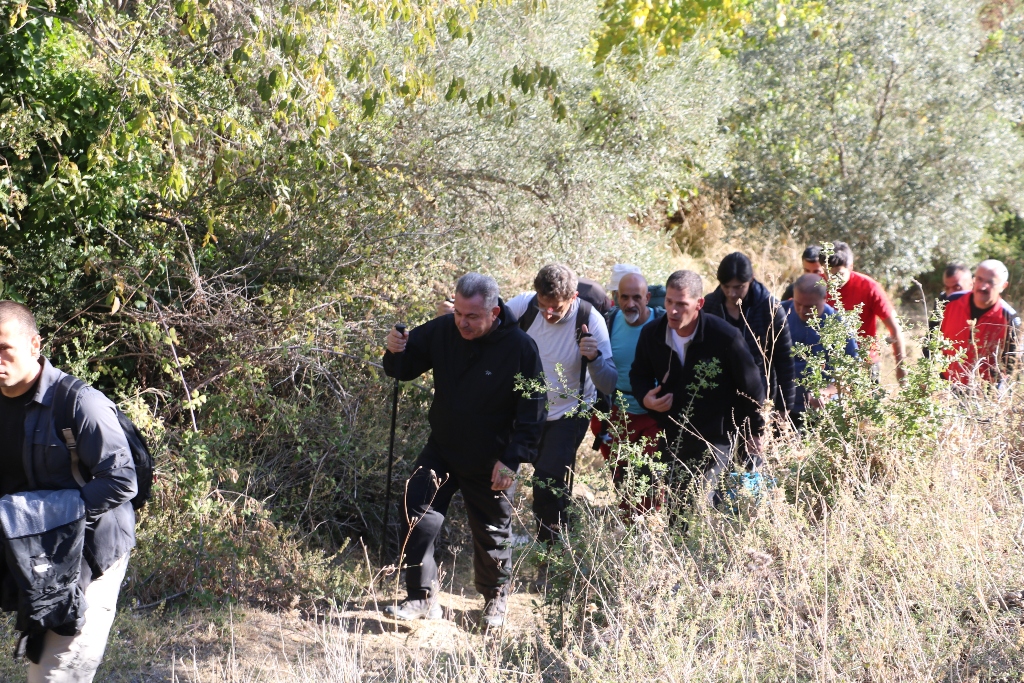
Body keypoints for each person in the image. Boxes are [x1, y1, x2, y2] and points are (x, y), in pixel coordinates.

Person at [382, 273, 547, 627]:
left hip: (493, 458)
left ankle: (495, 599)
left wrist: (513, 459)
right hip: (442, 448)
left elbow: (534, 409)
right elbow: (403, 367)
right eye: (458, 313)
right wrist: (395, 348)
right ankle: (422, 597)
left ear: (495, 312)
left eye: (472, 316)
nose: (462, 322)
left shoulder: (520, 348)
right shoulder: (444, 330)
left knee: (491, 533)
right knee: (417, 514)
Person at [0, 301, 138, 682]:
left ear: (34, 345)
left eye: (3, 348)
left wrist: (48, 518)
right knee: (40, 659)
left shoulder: (79, 403)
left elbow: (122, 480)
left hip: (91, 547)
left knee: (56, 673)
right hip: (35, 547)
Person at [629, 271, 766, 508]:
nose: (673, 310)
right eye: (669, 302)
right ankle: (680, 545)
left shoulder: (724, 336)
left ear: (699, 304)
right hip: (674, 432)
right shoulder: (652, 334)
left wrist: (755, 430)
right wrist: (646, 399)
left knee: (703, 499)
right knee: (676, 507)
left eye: (682, 304)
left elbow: (752, 386)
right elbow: (638, 374)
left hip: (718, 434)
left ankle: (714, 540)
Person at [504, 265, 616, 546]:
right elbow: (488, 330)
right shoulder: (522, 306)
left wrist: (594, 359)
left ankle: (551, 557)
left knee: (548, 487)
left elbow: (609, 383)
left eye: (556, 307)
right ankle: (499, 546)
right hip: (524, 410)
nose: (548, 314)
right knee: (502, 475)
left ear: (574, 296)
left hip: (569, 413)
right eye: (543, 306)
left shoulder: (590, 318)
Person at [590, 271, 665, 512]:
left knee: (649, 477)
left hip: (653, 416)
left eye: (636, 297)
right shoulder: (609, 321)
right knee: (622, 477)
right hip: (616, 414)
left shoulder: (663, 324)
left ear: (648, 297)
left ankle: (651, 530)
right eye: (624, 297)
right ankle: (631, 528)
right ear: (616, 297)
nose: (630, 304)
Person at [703, 252, 796, 416]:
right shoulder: (710, 305)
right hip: (718, 396)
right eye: (726, 287)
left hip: (760, 396)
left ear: (751, 279)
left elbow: (784, 360)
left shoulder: (771, 309)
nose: (732, 293)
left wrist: (784, 407)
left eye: (738, 287)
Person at [782, 274, 858, 430]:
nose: (802, 311)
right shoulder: (778, 314)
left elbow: (851, 370)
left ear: (824, 299)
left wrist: (827, 391)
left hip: (819, 412)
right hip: (781, 408)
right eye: (798, 304)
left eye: (810, 306)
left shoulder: (837, 324)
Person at [825, 242, 907, 383]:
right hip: (828, 362)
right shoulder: (817, 285)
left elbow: (895, 328)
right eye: (829, 274)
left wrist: (901, 368)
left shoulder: (869, 287)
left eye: (839, 274)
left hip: (864, 363)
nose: (833, 280)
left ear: (850, 266)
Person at [940, 259, 1021, 386]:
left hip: (982, 395)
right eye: (979, 279)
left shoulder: (1009, 319)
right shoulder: (949, 302)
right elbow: (931, 342)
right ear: (973, 279)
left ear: (1003, 286)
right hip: (945, 389)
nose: (983, 286)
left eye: (990, 282)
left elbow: (1009, 368)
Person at [924, 263, 972, 357]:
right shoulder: (943, 299)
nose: (951, 293)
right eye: (947, 288)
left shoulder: (980, 302)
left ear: (971, 284)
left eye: (957, 288)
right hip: (949, 362)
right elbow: (933, 333)